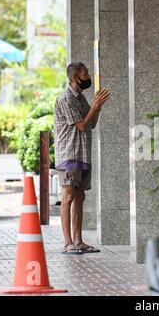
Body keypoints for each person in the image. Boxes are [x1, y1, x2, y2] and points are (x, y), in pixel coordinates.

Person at [54, 62, 111, 255]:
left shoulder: (80, 98)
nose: (88, 76)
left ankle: (78, 241)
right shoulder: (66, 99)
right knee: (68, 196)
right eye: (85, 73)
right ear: (74, 78)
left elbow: (92, 122)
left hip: (82, 154)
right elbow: (81, 125)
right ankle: (68, 242)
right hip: (69, 154)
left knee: (80, 197)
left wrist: (97, 107)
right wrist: (94, 106)